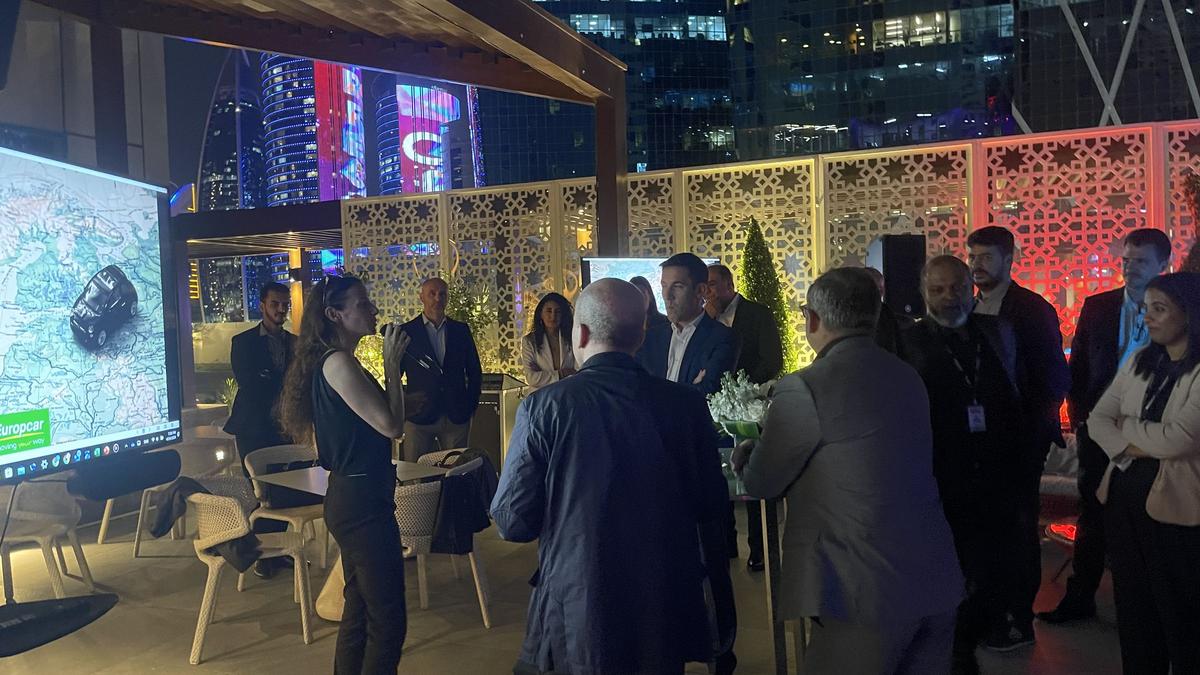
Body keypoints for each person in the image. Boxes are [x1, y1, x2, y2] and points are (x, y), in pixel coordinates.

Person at [491, 278, 735, 675]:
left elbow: (512, 521)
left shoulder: (544, 408)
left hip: (578, 601)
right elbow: (711, 503)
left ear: (582, 333)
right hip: (663, 599)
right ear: (641, 335)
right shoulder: (684, 404)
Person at [733, 267, 963, 674]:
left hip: (863, 589)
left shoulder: (805, 387)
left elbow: (763, 481)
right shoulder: (906, 375)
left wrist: (746, 454)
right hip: (933, 575)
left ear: (812, 320)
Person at [277, 274, 409, 674]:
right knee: (387, 620)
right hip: (361, 504)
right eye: (363, 304)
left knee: (359, 610)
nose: (373, 310)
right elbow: (392, 426)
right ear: (335, 314)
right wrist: (391, 365)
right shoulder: (337, 363)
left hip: (355, 498)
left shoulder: (334, 362)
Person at [1038, 228, 1172, 624]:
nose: (1130, 269)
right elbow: (1079, 366)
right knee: (1093, 517)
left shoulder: (1181, 310)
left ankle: (1150, 607)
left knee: (1153, 518)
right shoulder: (1098, 307)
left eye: (1141, 262)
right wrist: (1081, 417)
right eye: (1126, 260)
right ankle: (1080, 598)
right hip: (1101, 430)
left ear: (1163, 265)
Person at [900, 256, 1025, 674]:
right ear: (924, 293)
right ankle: (954, 650)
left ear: (971, 288)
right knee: (947, 569)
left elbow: (1018, 391)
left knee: (992, 566)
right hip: (939, 476)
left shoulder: (996, 332)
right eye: (937, 289)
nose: (948, 297)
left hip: (996, 475)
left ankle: (976, 634)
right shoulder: (908, 342)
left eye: (956, 287)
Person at [1087, 272, 1200, 674]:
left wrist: (1127, 429)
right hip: (1123, 496)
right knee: (1134, 608)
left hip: (1178, 508)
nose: (1148, 317)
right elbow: (1097, 420)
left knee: (1181, 611)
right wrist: (1131, 444)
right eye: (1146, 309)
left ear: (1189, 313)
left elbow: (1180, 440)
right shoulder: (1139, 361)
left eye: (1159, 309)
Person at [967, 226, 1069, 650]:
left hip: (1020, 441)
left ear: (1008, 260)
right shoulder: (971, 306)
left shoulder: (1032, 309)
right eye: (973, 257)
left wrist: (1031, 436)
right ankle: (990, 609)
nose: (977, 265)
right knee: (987, 529)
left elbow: (1053, 379)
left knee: (1019, 528)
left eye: (986, 257)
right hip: (981, 441)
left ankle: (1017, 619)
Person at [704, 262, 782, 571]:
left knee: (749, 473)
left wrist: (742, 388)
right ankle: (725, 543)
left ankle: (759, 548)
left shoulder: (757, 314)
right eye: (705, 286)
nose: (708, 291)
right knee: (718, 474)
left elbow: (771, 360)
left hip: (749, 408)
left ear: (728, 284)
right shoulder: (705, 321)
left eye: (712, 284)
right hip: (715, 409)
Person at [223, 282, 300, 578]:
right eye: (275, 304)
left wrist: (275, 380)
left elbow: (298, 382)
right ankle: (257, 554)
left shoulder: (295, 343)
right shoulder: (243, 342)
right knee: (261, 491)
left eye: (284, 305)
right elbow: (250, 382)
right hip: (253, 427)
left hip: (284, 427)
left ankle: (275, 552)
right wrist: (280, 383)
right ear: (262, 305)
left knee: (286, 490)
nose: (281, 309)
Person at [397, 277, 483, 461]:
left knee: (456, 471)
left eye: (442, 294)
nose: (437, 298)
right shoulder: (406, 332)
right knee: (416, 473)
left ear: (447, 298)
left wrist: (470, 406)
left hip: (456, 416)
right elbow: (395, 373)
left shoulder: (460, 330)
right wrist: (402, 406)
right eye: (432, 294)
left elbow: (474, 371)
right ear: (421, 297)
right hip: (419, 417)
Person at [637, 253, 739, 396]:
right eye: (664, 286)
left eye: (677, 286)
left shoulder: (723, 339)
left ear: (700, 290)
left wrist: (655, 389)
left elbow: (707, 394)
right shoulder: (650, 337)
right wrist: (691, 387)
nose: (667, 295)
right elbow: (636, 389)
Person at [520, 292, 576, 391]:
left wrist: (544, 375)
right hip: (541, 396)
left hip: (568, 393)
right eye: (549, 311)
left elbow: (578, 371)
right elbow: (532, 378)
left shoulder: (572, 338)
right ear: (541, 313)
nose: (553, 316)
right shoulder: (529, 341)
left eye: (558, 312)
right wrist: (561, 374)